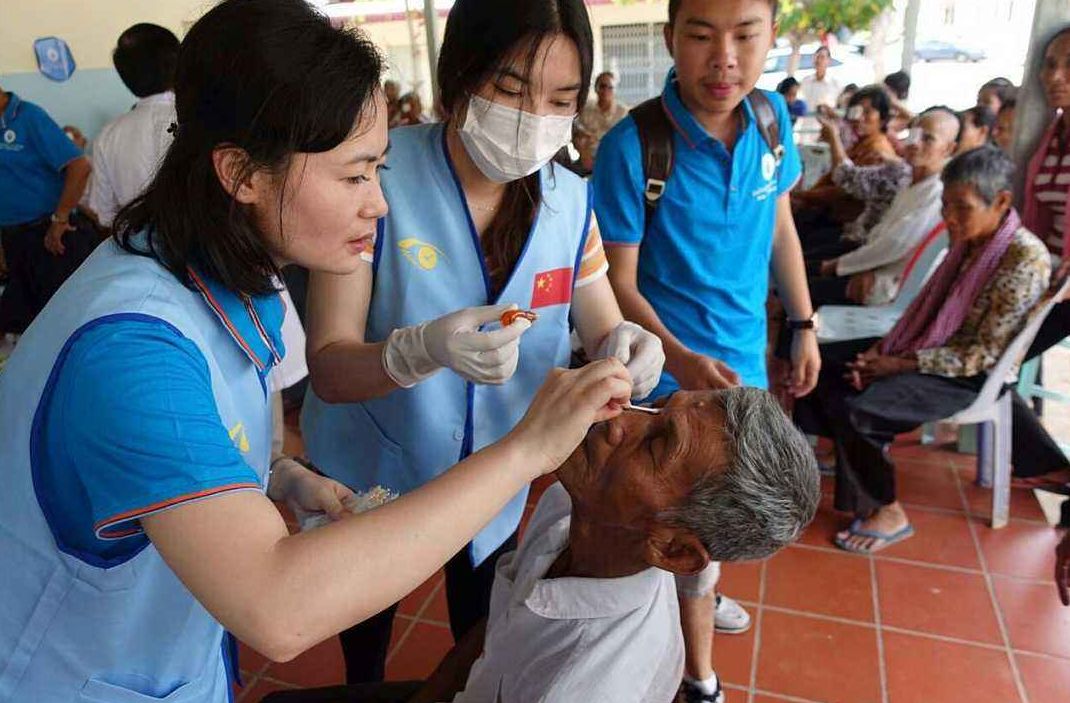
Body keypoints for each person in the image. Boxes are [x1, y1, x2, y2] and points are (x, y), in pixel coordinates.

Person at [0, 2, 634, 701]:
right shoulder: (131, 349)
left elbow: (176, 442)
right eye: (356, 174)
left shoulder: (225, 279)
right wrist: (528, 450)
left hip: (167, 651)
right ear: (242, 174)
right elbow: (278, 606)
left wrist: (271, 474)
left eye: (380, 168)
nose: (382, 204)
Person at [301, 0, 665, 685]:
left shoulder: (569, 200)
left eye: (560, 98)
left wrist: (626, 342)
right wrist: (414, 351)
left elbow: (600, 321)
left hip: (497, 477)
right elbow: (328, 365)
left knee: (478, 635)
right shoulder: (376, 177)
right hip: (378, 469)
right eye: (508, 89)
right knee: (365, 637)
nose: (533, 119)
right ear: (457, 78)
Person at [261, 389, 821, 703]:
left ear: (673, 552)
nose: (619, 420)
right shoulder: (569, 507)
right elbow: (499, 625)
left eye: (656, 447)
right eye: (656, 409)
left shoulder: (589, 686)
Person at [592, 1, 819, 700]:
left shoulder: (774, 123)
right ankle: (685, 663)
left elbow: (779, 226)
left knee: (717, 511)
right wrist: (682, 358)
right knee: (656, 511)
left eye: (745, 35)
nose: (724, 56)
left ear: (771, 39)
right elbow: (617, 282)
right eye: (700, 35)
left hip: (745, 371)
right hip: (664, 377)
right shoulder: (634, 147)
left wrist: (804, 322)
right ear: (670, 39)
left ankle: (699, 590)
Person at [795, 146, 1051, 553]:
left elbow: (982, 355)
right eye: (946, 206)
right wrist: (882, 351)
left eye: (962, 208)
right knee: (826, 366)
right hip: (932, 350)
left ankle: (889, 509)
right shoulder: (970, 240)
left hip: (967, 376)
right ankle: (847, 455)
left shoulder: (1023, 259)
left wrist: (896, 363)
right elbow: (925, 310)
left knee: (863, 411)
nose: (950, 218)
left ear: (1001, 202)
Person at [810, 108, 960, 308]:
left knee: (794, 286)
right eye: (914, 135)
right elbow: (882, 235)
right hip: (867, 260)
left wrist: (837, 266)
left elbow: (895, 243)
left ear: (949, 149)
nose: (915, 143)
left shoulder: (937, 192)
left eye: (928, 139)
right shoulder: (912, 179)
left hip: (882, 282)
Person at [1008, 26, 1070, 486]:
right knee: (994, 356)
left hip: (1065, 291)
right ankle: (1043, 463)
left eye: (1068, 66)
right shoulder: (1054, 135)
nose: (1056, 76)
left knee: (993, 358)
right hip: (1048, 282)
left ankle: (1044, 463)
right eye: (1049, 65)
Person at [0, 84, 95, 342]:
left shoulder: (29, 117)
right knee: (21, 327)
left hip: (47, 237)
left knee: (59, 323)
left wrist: (60, 218)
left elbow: (79, 166)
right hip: (12, 239)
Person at [86, 23, 179, 229]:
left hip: (138, 248)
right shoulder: (197, 119)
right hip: (201, 250)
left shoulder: (108, 135)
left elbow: (105, 214)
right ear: (179, 64)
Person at [794, 86, 903, 253]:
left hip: (846, 229)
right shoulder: (861, 144)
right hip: (830, 216)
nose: (859, 118)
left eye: (867, 112)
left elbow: (844, 188)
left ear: (882, 119)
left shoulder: (878, 150)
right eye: (856, 112)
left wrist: (800, 196)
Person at [577, 70, 629, 155]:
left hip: (614, 157)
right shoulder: (586, 111)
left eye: (610, 87)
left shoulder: (623, 113)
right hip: (589, 159)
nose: (606, 90)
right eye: (602, 86)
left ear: (615, 90)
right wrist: (584, 154)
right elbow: (578, 137)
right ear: (596, 88)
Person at [800, 45, 841, 112]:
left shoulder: (835, 84)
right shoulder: (805, 81)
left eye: (822, 57)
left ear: (829, 61)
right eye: (816, 57)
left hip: (825, 122)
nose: (818, 60)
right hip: (807, 121)